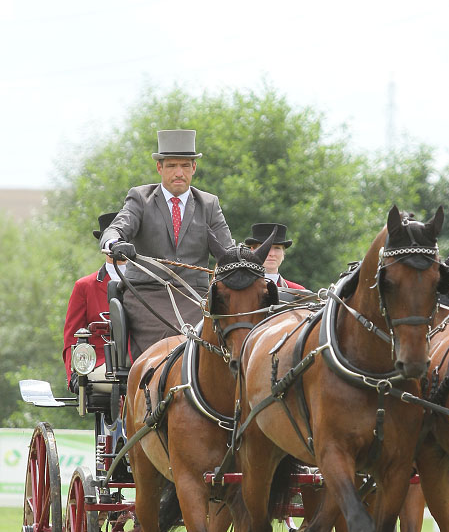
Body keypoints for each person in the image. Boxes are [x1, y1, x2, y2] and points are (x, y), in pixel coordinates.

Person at [100, 129, 233, 360]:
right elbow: (117, 227)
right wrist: (115, 243)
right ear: (159, 168)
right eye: (171, 166)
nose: (178, 173)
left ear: (194, 168)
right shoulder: (140, 198)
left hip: (195, 296)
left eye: (185, 165)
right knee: (174, 336)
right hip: (147, 295)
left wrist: (244, 261)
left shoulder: (209, 204)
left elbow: (228, 251)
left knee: (217, 338)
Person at [63, 212, 122, 392]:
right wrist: (73, 373)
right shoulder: (85, 286)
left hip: (147, 361)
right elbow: (71, 337)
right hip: (102, 365)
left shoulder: (147, 284)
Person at [244, 223, 306, 290]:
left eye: (277, 248)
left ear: (283, 253)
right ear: (252, 251)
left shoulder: (298, 292)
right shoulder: (240, 289)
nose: (272, 253)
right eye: (265, 247)